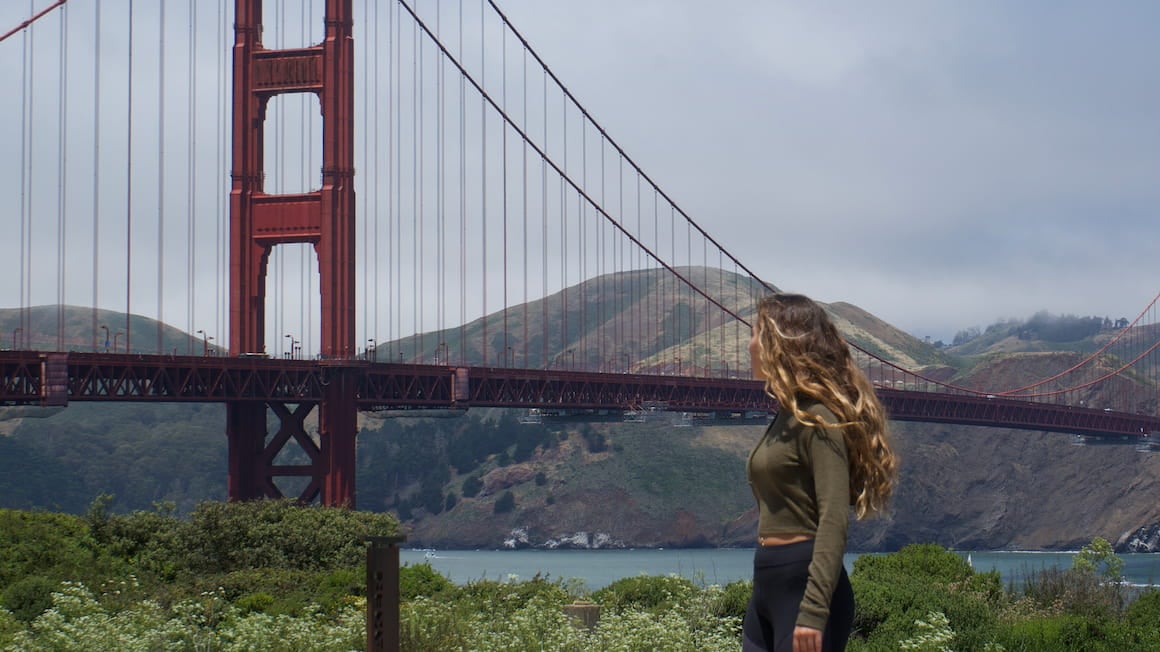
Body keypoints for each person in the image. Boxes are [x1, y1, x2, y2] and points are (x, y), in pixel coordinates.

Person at [742, 293, 897, 652]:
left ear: (779, 343)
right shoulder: (786, 415)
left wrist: (813, 611)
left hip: (805, 591)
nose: (749, 344)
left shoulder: (819, 418)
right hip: (766, 583)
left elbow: (832, 519)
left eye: (754, 332)